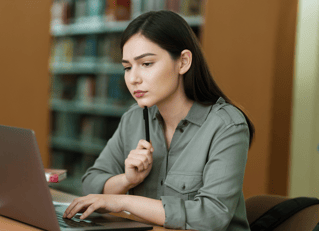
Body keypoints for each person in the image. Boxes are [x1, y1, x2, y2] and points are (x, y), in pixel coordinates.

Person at [63, 10, 255, 231]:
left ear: (183, 62)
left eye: (146, 63)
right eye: (127, 67)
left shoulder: (227, 125)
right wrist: (126, 181)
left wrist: (123, 201)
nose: (133, 78)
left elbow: (211, 217)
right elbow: (91, 184)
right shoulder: (133, 119)